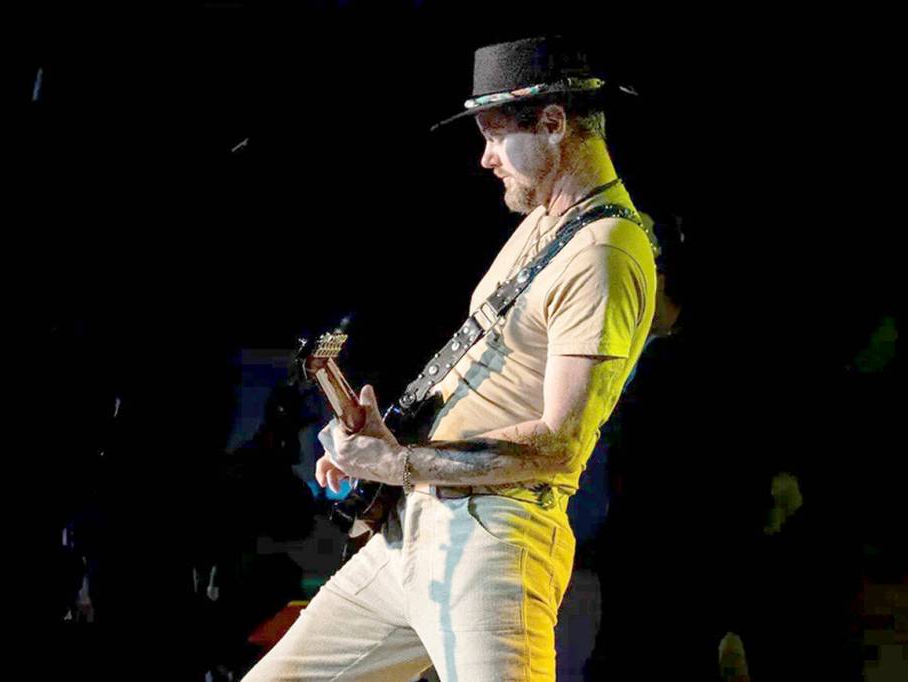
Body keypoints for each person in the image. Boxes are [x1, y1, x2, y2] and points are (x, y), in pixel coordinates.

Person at [242, 35, 658, 681]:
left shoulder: (604, 251)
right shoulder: (545, 224)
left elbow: (560, 444)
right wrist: (390, 447)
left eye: (495, 136)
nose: (485, 158)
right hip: (412, 530)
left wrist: (397, 462)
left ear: (553, 123)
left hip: (491, 537)